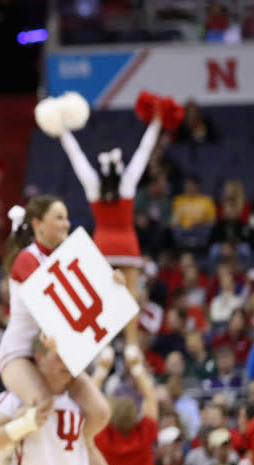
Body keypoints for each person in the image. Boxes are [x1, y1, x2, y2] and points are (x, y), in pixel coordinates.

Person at [0, 195, 120, 421]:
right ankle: (6, 449)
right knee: (43, 406)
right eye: (60, 218)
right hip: (20, 353)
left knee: (100, 413)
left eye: (67, 218)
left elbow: (88, 296)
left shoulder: (68, 256)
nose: (67, 224)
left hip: (53, 353)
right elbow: (52, 309)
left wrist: (113, 284)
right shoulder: (27, 258)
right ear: (38, 224)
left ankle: (80, 453)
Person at [58, 100, 162, 352]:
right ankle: (131, 345)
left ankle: (102, 345)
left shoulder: (94, 185)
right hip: (127, 244)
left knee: (101, 298)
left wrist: (62, 128)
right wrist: (157, 123)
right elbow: (143, 152)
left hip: (102, 245)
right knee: (130, 297)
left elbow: (77, 157)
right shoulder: (127, 184)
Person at [0, 334, 110, 465]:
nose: (66, 362)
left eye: (70, 356)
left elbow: (88, 451)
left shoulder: (80, 403)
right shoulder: (17, 398)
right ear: (40, 359)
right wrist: (24, 424)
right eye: (59, 356)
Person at [94, 348, 159, 465]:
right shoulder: (145, 434)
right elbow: (150, 395)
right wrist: (136, 368)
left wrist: (102, 369)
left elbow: (90, 396)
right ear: (134, 415)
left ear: (110, 416)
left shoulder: (102, 437)